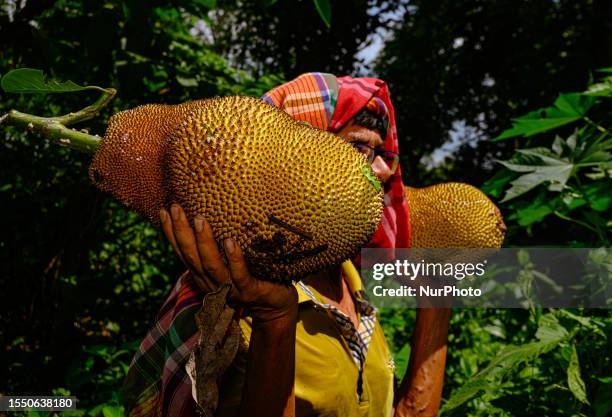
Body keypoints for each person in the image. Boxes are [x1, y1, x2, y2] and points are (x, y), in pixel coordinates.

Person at [123, 73, 448, 417]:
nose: (382, 169)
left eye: (383, 152)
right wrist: (274, 319)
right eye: (361, 147)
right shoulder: (228, 306)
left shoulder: (352, 285)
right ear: (295, 159)